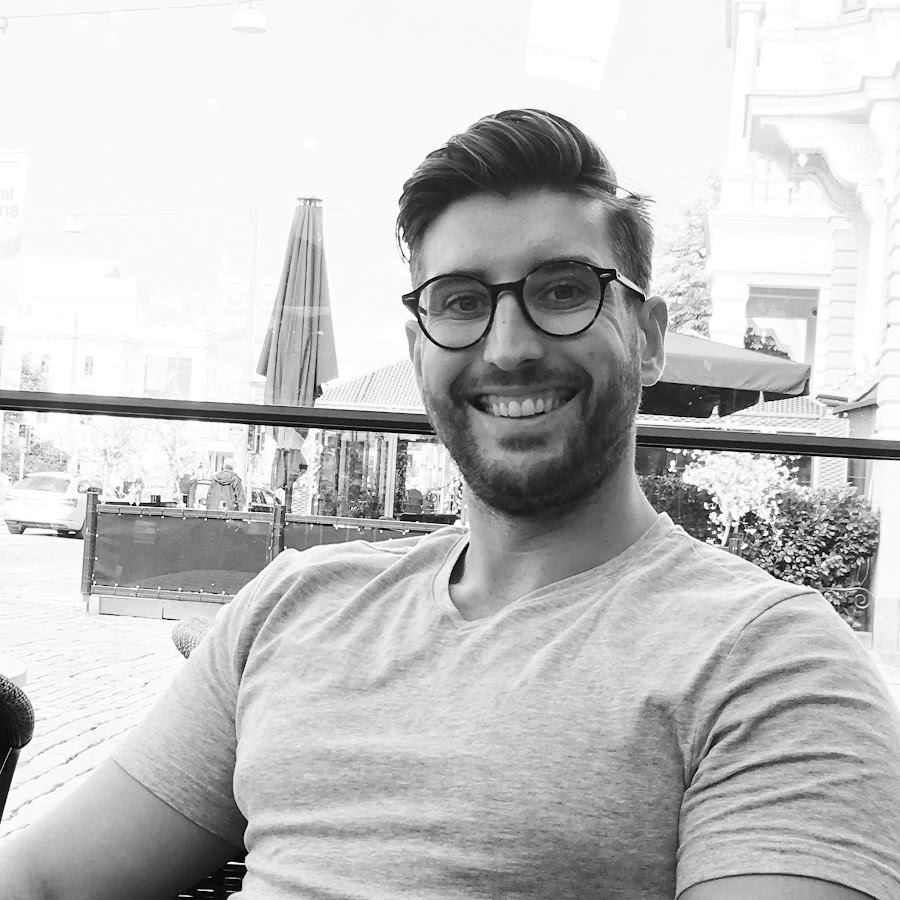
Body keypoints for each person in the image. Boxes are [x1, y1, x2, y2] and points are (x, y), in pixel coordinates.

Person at [2, 110, 900, 900]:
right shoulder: (296, 604)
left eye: (563, 291)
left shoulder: (773, 663)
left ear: (648, 336)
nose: (507, 348)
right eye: (461, 302)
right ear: (418, 349)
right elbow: (44, 879)